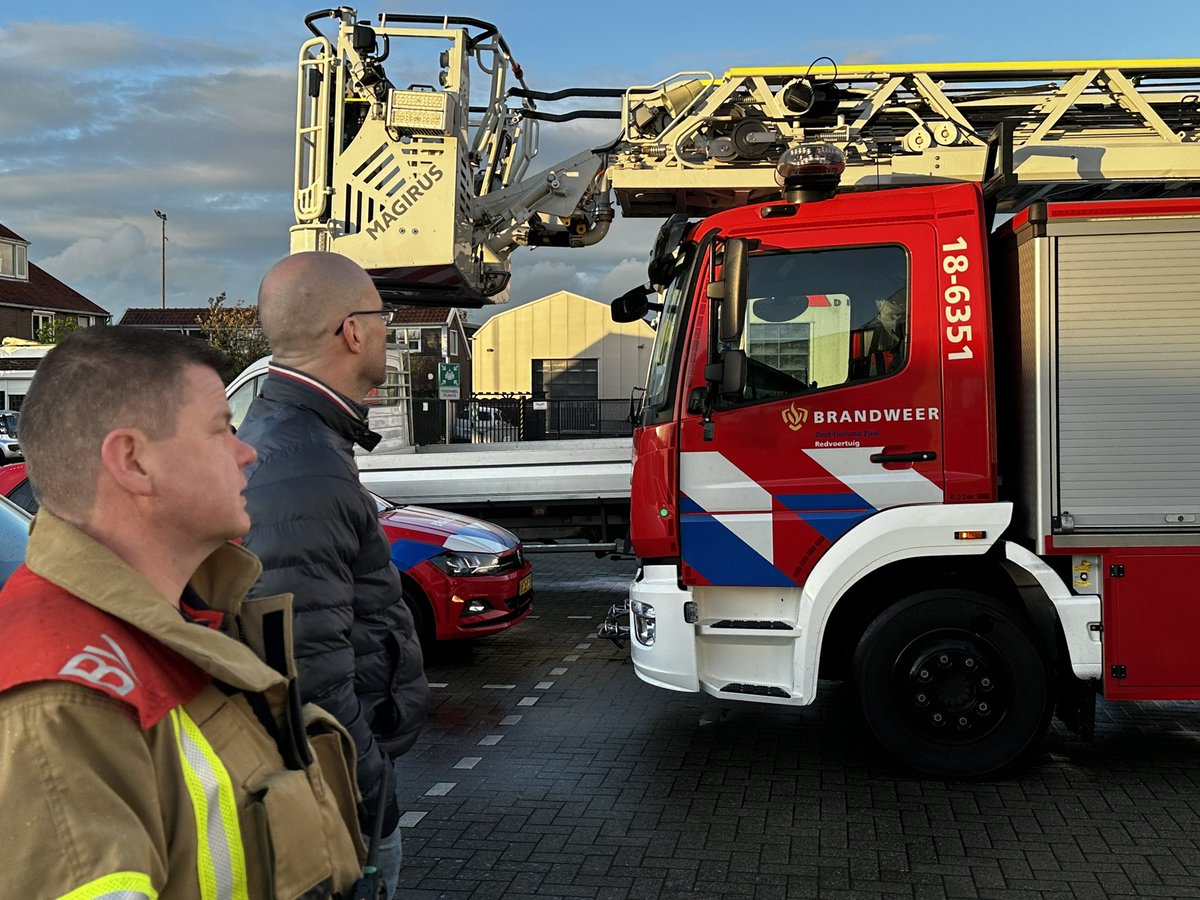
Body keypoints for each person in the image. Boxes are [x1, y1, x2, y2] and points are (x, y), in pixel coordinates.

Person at [0, 327, 365, 898]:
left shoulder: (185, 620)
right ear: (133, 460)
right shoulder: (62, 699)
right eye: (221, 428)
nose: (247, 452)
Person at [238, 251, 429, 898]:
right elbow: (307, 678)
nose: (387, 330)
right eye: (383, 317)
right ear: (352, 331)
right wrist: (371, 800)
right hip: (344, 801)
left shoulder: (302, 439)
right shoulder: (303, 466)